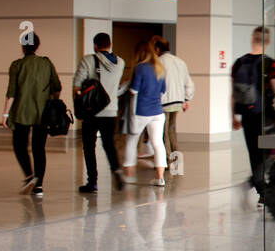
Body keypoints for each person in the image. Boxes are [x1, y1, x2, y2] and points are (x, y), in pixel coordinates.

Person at [231, 27, 275, 203]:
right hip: (266, 114)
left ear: (253, 39)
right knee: (273, 149)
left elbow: (233, 92)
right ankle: (254, 185)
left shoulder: (239, 62)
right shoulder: (270, 64)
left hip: (247, 114)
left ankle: (261, 192)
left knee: (254, 153)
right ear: (268, 42)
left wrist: (233, 117)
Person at [3, 32, 61, 199]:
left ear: (23, 46)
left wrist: (5, 113)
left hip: (21, 112)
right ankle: (39, 185)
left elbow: (11, 92)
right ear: (37, 46)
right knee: (39, 148)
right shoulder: (46, 63)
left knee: (19, 145)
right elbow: (57, 86)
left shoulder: (16, 65)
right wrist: (52, 103)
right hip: (42, 113)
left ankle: (29, 175)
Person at [72, 32, 126, 194]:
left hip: (91, 112)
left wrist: (78, 110)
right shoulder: (121, 62)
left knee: (89, 147)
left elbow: (76, 86)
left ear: (95, 45)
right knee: (109, 144)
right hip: (111, 111)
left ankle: (92, 182)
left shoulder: (88, 60)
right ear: (110, 45)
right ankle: (116, 169)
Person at [123, 39, 168, 187]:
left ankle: (129, 175)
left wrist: (126, 87)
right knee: (158, 143)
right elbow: (163, 91)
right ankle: (160, 177)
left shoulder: (140, 68)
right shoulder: (160, 68)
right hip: (158, 112)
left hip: (141, 111)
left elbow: (134, 90)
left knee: (131, 140)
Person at [153, 36, 194, 161]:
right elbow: (189, 83)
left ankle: (166, 158)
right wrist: (187, 99)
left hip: (163, 101)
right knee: (171, 129)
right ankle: (175, 156)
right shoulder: (180, 62)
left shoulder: (158, 62)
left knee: (163, 131)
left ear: (157, 48)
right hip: (178, 101)